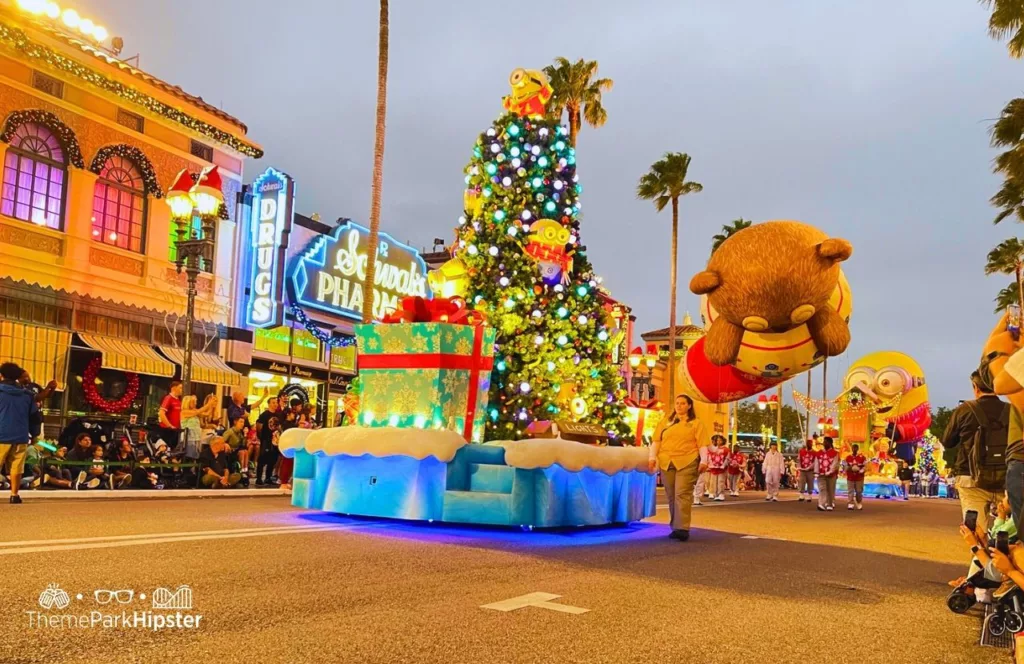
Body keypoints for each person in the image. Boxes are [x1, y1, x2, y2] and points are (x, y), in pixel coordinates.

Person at [942, 370, 1010, 534]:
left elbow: (948, 441)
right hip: (1005, 480)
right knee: (1009, 534)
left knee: (976, 532)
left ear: (975, 387)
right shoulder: (1012, 410)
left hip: (970, 478)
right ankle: (1005, 558)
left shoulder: (964, 410)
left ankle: (979, 557)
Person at [648, 395, 706, 541]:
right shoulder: (666, 422)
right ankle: (675, 526)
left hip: (687, 460)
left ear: (689, 406)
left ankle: (682, 528)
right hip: (667, 461)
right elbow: (656, 441)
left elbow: (702, 444)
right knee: (672, 495)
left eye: (683, 403)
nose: (679, 406)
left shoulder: (695, 423)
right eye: (677, 403)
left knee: (682, 494)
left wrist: (704, 460)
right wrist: (652, 457)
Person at [0, 362, 39, 503]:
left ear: (1, 375)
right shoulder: (27, 395)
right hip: (20, 436)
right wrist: (34, 434)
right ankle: (14, 495)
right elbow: (34, 417)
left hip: (1, 434)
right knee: (17, 466)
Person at [255, 399, 282, 486]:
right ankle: (258, 478)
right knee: (262, 459)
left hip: (275, 441)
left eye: (276, 403)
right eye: (273, 403)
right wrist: (261, 438)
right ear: (269, 404)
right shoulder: (264, 415)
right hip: (266, 440)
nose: (275, 404)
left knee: (273, 459)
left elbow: (279, 427)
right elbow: (259, 427)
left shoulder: (278, 415)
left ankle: (268, 477)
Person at [158, 381, 183, 450]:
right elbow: (161, 413)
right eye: (180, 388)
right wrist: (169, 425)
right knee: (167, 448)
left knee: (173, 448)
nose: (182, 390)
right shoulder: (168, 398)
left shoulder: (178, 400)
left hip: (176, 429)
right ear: (174, 388)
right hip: (167, 429)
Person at [222, 416, 250, 481]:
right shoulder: (229, 432)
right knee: (242, 452)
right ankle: (241, 471)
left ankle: (245, 470)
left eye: (243, 422)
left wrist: (245, 435)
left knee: (245, 451)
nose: (242, 424)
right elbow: (222, 441)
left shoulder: (240, 433)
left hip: (237, 450)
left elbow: (243, 444)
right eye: (241, 422)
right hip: (230, 452)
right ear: (235, 422)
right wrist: (225, 444)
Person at [816, 436, 840, 511]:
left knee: (830, 490)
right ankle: (821, 504)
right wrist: (816, 472)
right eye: (824, 442)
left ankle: (830, 504)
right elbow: (816, 463)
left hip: (831, 475)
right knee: (822, 489)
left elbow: (835, 464)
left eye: (826, 442)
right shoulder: (819, 453)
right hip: (821, 474)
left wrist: (830, 471)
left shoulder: (835, 453)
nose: (824, 443)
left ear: (830, 443)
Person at [706, 435, 729, 501]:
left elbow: (727, 458)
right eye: (717, 440)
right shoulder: (713, 449)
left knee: (720, 481)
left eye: (720, 440)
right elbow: (710, 457)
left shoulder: (726, 449)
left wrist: (723, 465)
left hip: (722, 468)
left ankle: (721, 494)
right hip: (714, 468)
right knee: (714, 481)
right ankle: (715, 494)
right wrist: (710, 465)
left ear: (723, 441)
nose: (718, 442)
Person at [845, 443, 867, 511]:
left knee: (859, 491)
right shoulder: (848, 457)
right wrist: (850, 468)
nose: (854, 449)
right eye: (853, 448)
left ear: (858, 449)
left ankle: (859, 502)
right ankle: (850, 503)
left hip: (859, 477)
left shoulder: (862, 457)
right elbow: (845, 467)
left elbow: (865, 466)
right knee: (850, 491)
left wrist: (861, 470)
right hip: (850, 477)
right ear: (851, 449)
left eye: (855, 448)